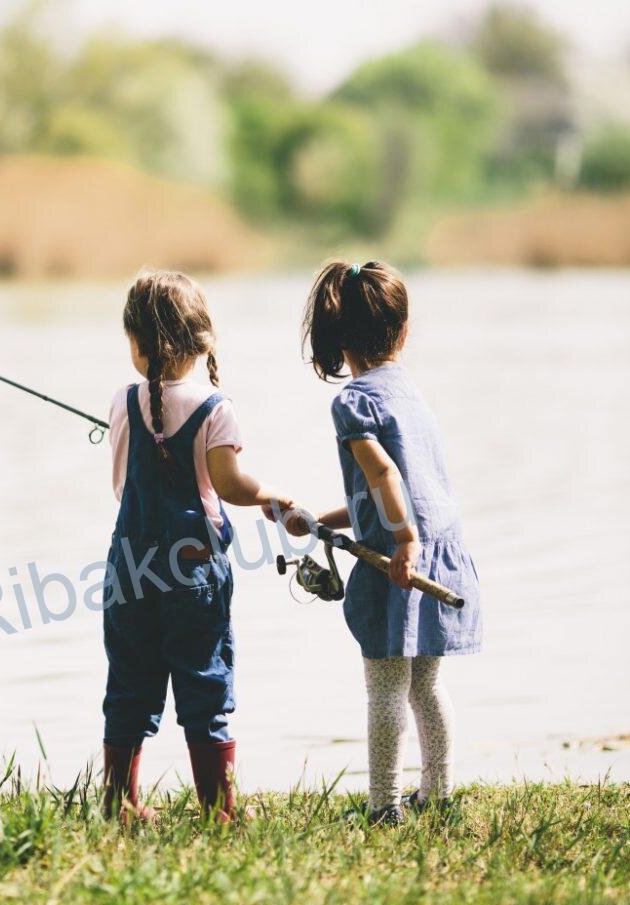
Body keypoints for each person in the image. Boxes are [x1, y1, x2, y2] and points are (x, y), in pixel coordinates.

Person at [281, 260, 482, 824]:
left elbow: (385, 479)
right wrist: (321, 519)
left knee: (385, 689)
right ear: (404, 329)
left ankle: (383, 808)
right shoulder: (410, 394)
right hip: (438, 554)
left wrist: (406, 543)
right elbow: (394, 488)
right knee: (425, 689)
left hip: (404, 561)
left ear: (340, 339)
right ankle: (437, 794)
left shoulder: (353, 402)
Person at [103, 270, 293, 822]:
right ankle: (219, 807)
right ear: (202, 339)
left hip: (130, 571)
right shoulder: (216, 409)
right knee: (204, 681)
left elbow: (120, 488)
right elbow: (231, 488)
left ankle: (120, 803)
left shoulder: (123, 401)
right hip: (195, 576)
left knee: (130, 682)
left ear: (137, 345)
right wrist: (274, 497)